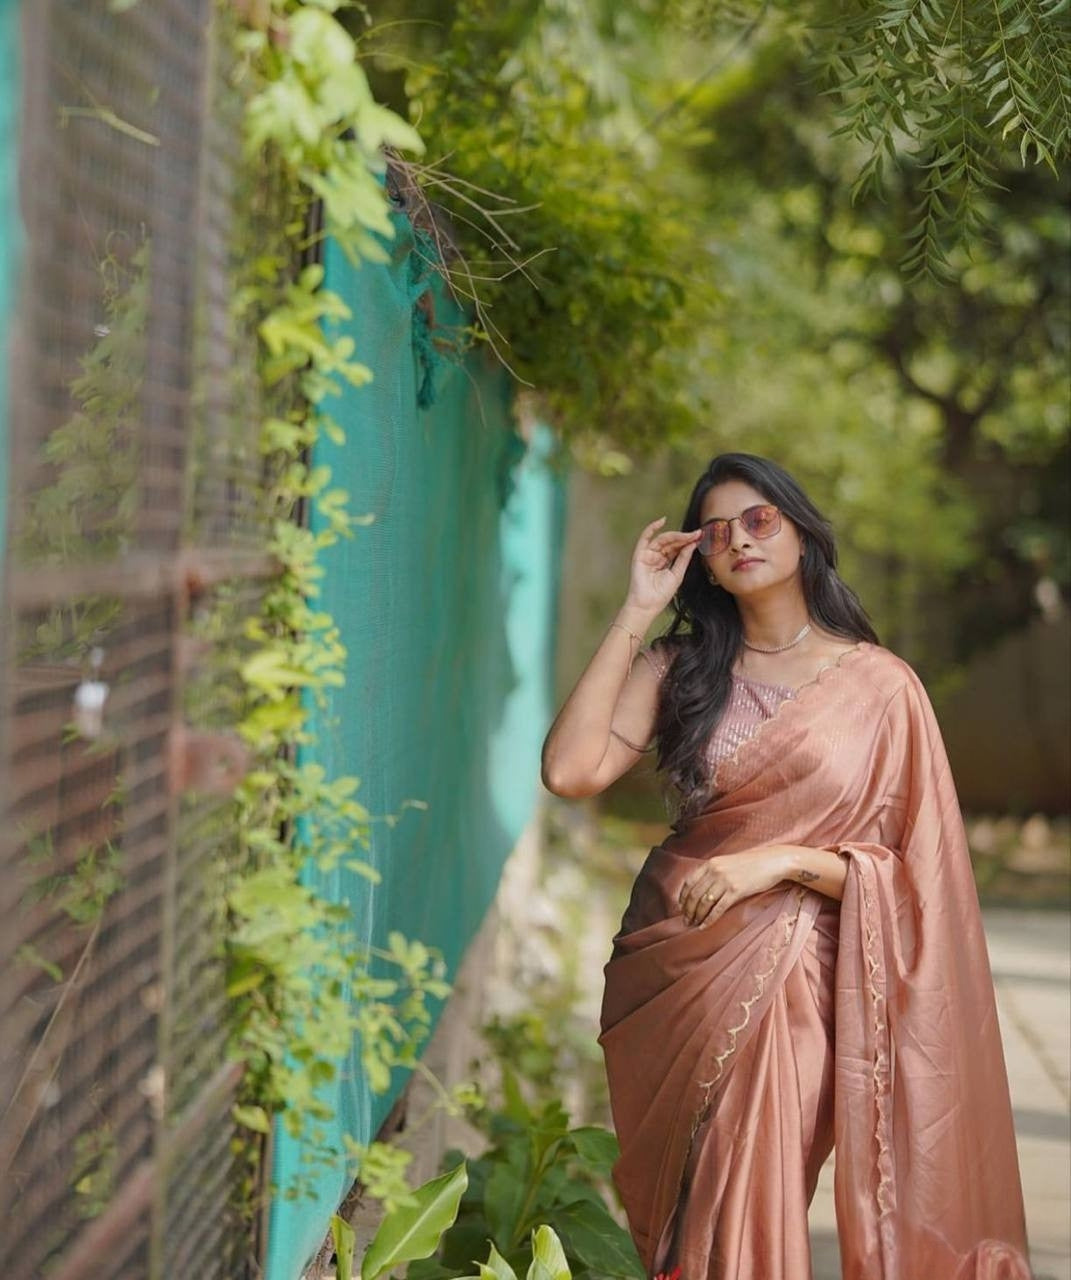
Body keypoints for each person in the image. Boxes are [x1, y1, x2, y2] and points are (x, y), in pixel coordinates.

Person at [541, 453, 1031, 1280]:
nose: (738, 539)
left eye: (759, 519)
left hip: (796, 982)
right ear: (701, 560)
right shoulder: (679, 668)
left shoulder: (880, 689)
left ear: (801, 533)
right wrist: (637, 609)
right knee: (683, 1211)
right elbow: (569, 771)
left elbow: (918, 886)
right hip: (673, 970)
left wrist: (780, 862)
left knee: (746, 1187)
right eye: (715, 532)